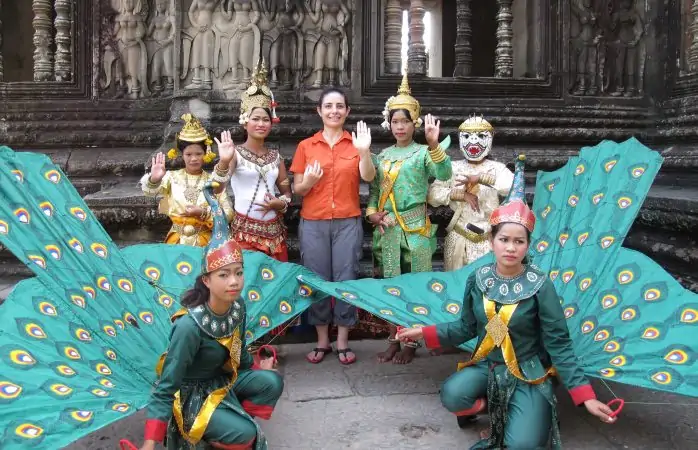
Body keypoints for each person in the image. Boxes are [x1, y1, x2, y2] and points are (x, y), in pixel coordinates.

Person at [397, 156, 616, 449]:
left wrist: (585, 395)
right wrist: (423, 333)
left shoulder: (540, 285)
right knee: (452, 394)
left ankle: (530, 412)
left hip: (529, 372)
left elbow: (559, 343)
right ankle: (499, 408)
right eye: (504, 240)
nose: (511, 248)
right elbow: (465, 327)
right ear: (493, 241)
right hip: (489, 364)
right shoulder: (479, 278)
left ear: (527, 245)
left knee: (522, 446)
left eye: (519, 241)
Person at [137, 183, 283, 450]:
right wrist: (150, 443)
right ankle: (205, 434)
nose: (235, 281)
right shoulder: (188, 327)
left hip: (223, 381)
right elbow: (166, 386)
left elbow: (237, 349)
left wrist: (256, 368)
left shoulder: (237, 306)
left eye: (239, 272)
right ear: (206, 280)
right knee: (247, 434)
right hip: (191, 394)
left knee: (271, 382)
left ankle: (226, 421)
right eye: (224, 274)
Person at [366, 73, 452, 364]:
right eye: (394, 121)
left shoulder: (422, 154)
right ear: (388, 124)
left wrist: (433, 144)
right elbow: (375, 191)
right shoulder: (382, 156)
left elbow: (444, 175)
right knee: (391, 285)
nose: (399, 126)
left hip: (416, 228)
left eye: (404, 121)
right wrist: (371, 214)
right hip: (388, 228)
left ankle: (411, 343)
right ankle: (393, 337)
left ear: (414, 122)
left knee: (414, 287)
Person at [289, 87, 375, 365]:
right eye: (329, 106)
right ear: (320, 111)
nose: (334, 111)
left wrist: (364, 153)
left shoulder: (356, 144)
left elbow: (369, 176)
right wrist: (310, 182)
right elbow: (298, 189)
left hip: (347, 222)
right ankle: (322, 340)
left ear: (347, 111)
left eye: (340, 106)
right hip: (313, 222)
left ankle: (342, 341)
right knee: (317, 280)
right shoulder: (306, 146)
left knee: (346, 278)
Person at [217, 59, 291, 262]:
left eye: (265, 119)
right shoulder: (235, 154)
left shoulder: (276, 157)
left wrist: (280, 203)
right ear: (245, 121)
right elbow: (217, 189)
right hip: (244, 233)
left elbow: (287, 194)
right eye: (255, 118)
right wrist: (224, 161)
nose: (261, 124)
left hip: (275, 233)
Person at [428, 115, 514, 270]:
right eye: (467, 136)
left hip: (490, 239)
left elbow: (511, 187)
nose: (473, 142)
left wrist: (481, 178)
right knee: (457, 287)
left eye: (480, 136)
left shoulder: (498, 168)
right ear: (461, 139)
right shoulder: (452, 167)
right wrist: (460, 195)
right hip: (459, 238)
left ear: (490, 139)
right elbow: (433, 195)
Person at [141, 113, 234, 246]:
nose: (194, 158)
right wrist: (154, 179)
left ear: (206, 153)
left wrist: (203, 213)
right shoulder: (171, 177)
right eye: (188, 154)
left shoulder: (212, 181)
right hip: (176, 242)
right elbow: (150, 192)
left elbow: (228, 214)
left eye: (198, 154)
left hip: (206, 242)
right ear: (181, 155)